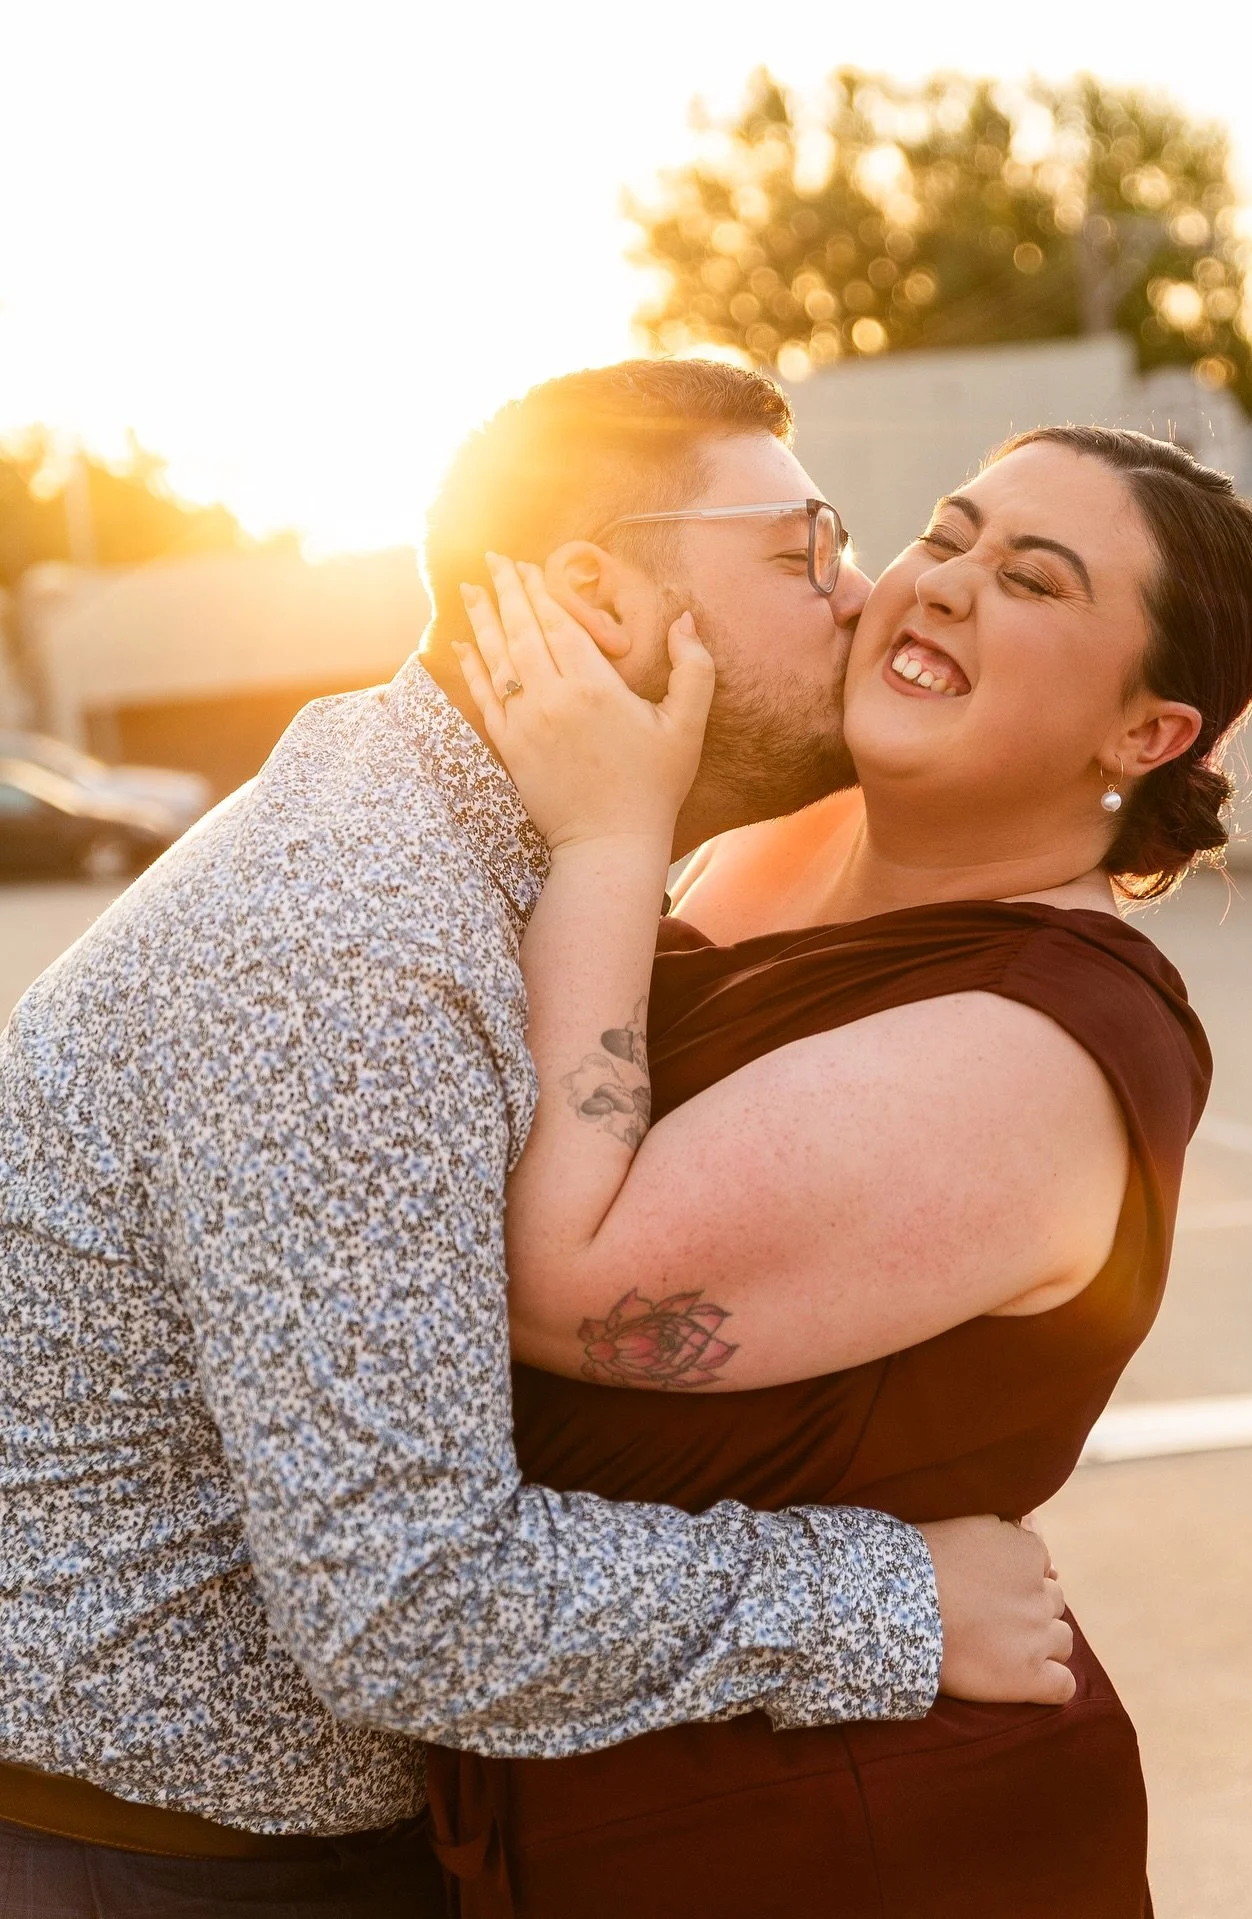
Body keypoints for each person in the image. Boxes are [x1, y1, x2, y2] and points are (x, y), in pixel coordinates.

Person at [0, 360, 1069, 1919]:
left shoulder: (480, 853)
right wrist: (899, 1596)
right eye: (804, 551)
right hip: (169, 1871)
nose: (864, 598)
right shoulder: (359, 947)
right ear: (603, 600)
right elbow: (404, 1598)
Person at [430, 422, 1252, 1916]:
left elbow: (563, 1288)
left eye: (1030, 579)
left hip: (834, 1832)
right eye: (946, 536)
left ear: (1148, 733)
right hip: (602, 1758)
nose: (945, 584)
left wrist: (611, 837)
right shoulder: (793, 831)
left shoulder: (1039, 1042)